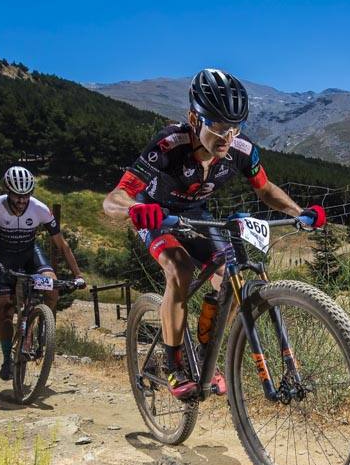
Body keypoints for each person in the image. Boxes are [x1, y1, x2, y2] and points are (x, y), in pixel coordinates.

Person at [102, 68, 326, 399]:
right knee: (180, 270)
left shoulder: (242, 150)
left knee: (229, 281)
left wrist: (299, 213)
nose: (227, 138)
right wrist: (134, 209)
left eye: (235, 128)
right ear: (195, 119)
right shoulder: (167, 145)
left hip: (195, 216)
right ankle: (174, 365)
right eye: (218, 128)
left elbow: (264, 188)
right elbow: (114, 199)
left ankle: (206, 361)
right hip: (155, 215)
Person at [0, 165, 85, 381]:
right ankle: (7, 358)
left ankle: (45, 330)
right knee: (5, 308)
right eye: (17, 196)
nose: (21, 201)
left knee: (52, 287)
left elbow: (62, 245)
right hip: (3, 258)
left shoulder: (40, 209)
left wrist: (78, 275)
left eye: (26, 196)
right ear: (8, 191)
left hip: (30, 254)